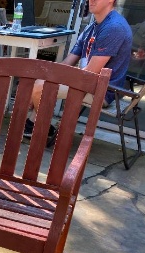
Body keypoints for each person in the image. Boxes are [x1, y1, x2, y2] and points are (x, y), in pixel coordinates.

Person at [23, 0, 133, 147]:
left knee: (40, 87)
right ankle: (34, 125)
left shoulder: (114, 27)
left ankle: (38, 126)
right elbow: (67, 63)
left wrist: (45, 82)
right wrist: (46, 75)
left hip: (101, 90)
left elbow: (90, 73)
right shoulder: (92, 27)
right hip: (86, 80)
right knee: (34, 82)